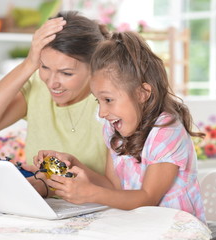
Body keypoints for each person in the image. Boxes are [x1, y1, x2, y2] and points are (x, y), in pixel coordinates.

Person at [34, 31, 207, 223]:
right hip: (140, 227)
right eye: (98, 101)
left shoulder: (166, 132)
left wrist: (91, 194)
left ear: (142, 93)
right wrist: (74, 164)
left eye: (108, 99)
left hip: (174, 230)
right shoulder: (114, 131)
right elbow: (113, 188)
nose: (101, 112)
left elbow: (148, 197)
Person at [0, 11, 109, 195]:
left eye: (66, 73)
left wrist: (49, 183)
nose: (52, 82)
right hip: (40, 206)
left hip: (95, 209)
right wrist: (29, 63)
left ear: (94, 67)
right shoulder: (38, 86)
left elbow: (120, 188)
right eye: (44, 67)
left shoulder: (109, 102)